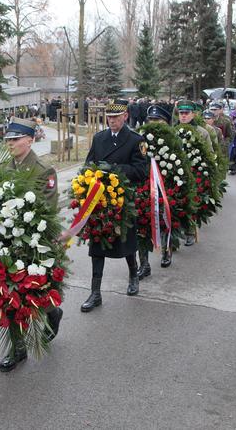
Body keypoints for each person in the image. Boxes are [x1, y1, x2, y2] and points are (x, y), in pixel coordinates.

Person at [0, 117, 62, 372]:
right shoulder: (3, 167)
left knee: (32, 291)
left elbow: (48, 208)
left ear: (30, 139)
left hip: (32, 242)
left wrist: (20, 223)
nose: (10, 143)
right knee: (9, 293)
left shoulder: (43, 169)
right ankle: (18, 347)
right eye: (8, 139)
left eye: (15, 139)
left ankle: (51, 312)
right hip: (5, 241)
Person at [81, 99, 148, 312]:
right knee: (97, 246)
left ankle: (133, 275)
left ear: (125, 116)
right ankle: (95, 292)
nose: (111, 121)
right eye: (108, 117)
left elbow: (141, 171)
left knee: (126, 243)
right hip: (100, 200)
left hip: (123, 200)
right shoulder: (99, 138)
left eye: (116, 117)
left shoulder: (136, 140)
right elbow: (88, 163)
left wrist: (115, 169)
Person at [136, 104, 173, 281]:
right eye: (151, 120)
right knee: (142, 223)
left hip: (166, 186)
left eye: (158, 120)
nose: (153, 123)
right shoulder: (141, 139)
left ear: (165, 122)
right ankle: (144, 264)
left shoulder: (173, 140)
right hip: (145, 187)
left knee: (165, 219)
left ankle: (166, 250)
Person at [174, 100, 212, 247]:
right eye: (181, 113)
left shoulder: (202, 133)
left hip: (195, 173)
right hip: (176, 172)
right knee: (176, 202)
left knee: (190, 203)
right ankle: (175, 234)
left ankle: (190, 231)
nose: (183, 116)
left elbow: (209, 154)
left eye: (186, 113)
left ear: (193, 114)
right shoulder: (173, 131)